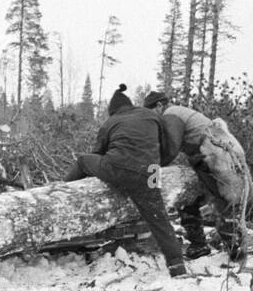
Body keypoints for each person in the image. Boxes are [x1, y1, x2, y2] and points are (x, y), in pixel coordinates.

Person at [65, 84, 187, 277]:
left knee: (83, 161)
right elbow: (167, 147)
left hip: (117, 169)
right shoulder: (152, 116)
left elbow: (97, 153)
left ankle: (64, 193)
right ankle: (177, 265)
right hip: (151, 172)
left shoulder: (110, 122)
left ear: (113, 110)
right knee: (159, 218)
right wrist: (153, 164)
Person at [143, 90, 251, 258]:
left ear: (159, 105)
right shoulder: (177, 112)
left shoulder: (170, 114)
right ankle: (207, 244)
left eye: (150, 111)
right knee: (192, 196)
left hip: (216, 153)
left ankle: (233, 247)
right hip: (212, 151)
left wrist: (153, 170)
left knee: (224, 199)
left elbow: (171, 147)